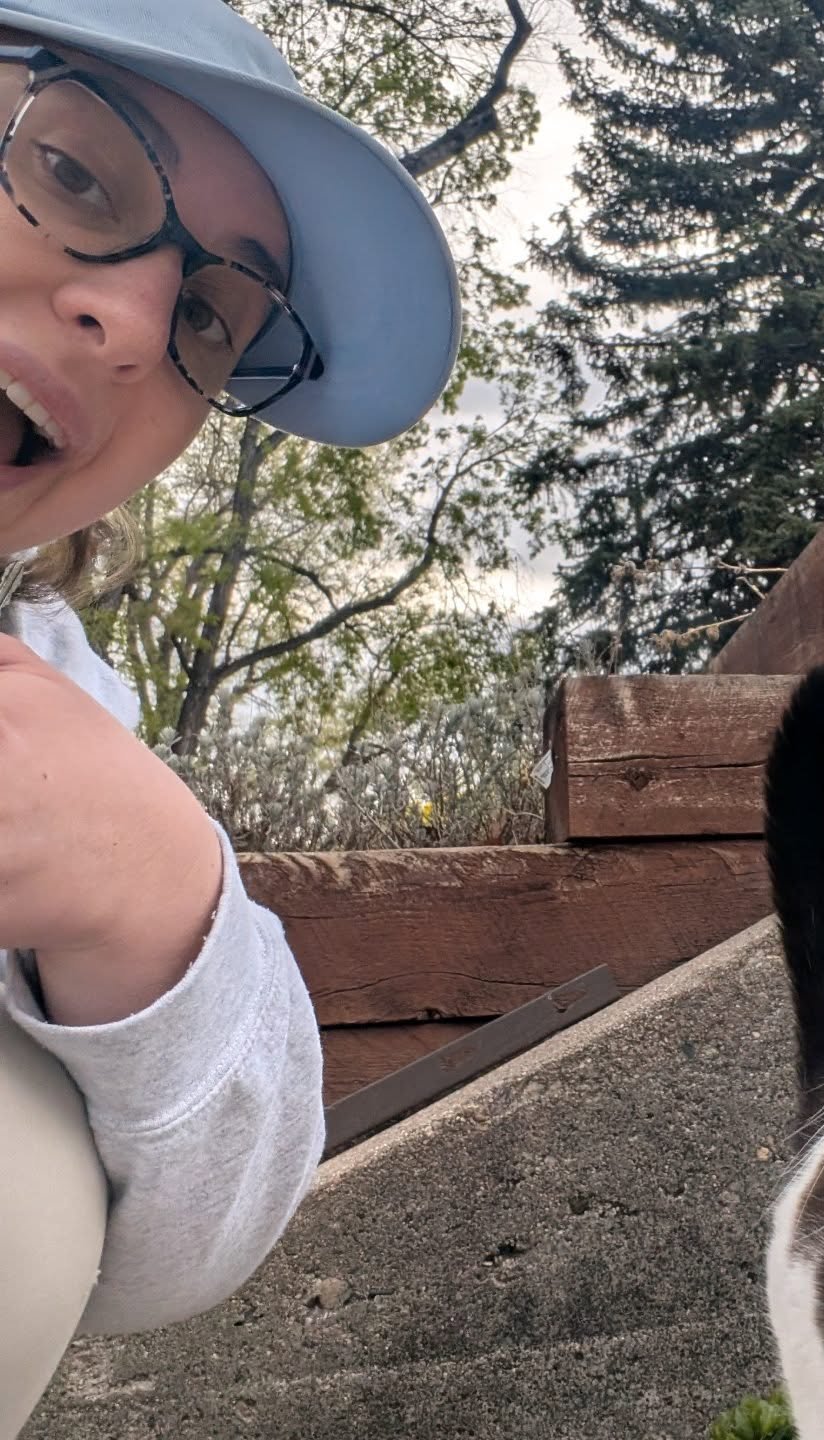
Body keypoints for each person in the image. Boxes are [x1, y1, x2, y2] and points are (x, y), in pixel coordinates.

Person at [0, 0, 460, 1431]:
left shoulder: (62, 701)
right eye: (73, 173)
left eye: (211, 315)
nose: (135, 319)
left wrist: (157, 895)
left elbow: (195, 1236)